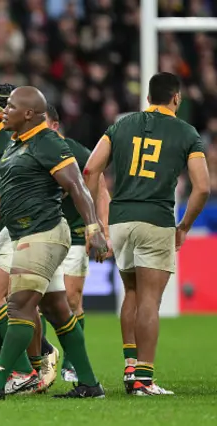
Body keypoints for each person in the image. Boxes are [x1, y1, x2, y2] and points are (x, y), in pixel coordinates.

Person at [0, 87, 107, 400]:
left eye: (10, 107)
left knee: (19, 306)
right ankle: (90, 383)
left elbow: (77, 186)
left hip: (44, 233)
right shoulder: (14, 145)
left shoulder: (49, 142)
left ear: (28, 114)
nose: (4, 112)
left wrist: (94, 228)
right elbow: (7, 194)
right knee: (57, 310)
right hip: (25, 233)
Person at [84, 72, 209, 396]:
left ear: (148, 97)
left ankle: (130, 366)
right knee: (151, 300)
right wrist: (184, 226)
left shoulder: (121, 126)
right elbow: (203, 187)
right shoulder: (186, 133)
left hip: (122, 223)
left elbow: (90, 169)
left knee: (133, 295)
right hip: (156, 220)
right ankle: (143, 377)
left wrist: (94, 220)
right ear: (176, 98)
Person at [44, 104, 112, 382]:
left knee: (72, 300)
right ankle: (42, 358)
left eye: (42, 123)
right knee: (35, 303)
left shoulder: (79, 153)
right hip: (41, 235)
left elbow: (102, 193)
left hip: (73, 236)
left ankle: (72, 362)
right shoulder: (29, 150)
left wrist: (102, 231)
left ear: (55, 126)